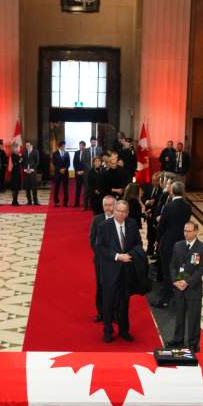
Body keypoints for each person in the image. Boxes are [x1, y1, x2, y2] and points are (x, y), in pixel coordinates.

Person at [96, 200, 141, 343]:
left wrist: (132, 255)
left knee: (124, 302)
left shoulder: (132, 224)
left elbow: (138, 244)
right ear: (114, 210)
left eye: (124, 212)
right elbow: (100, 248)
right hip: (110, 270)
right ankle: (107, 331)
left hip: (126, 271)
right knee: (108, 302)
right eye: (118, 211)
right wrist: (117, 256)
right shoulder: (104, 226)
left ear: (127, 213)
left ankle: (124, 331)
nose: (121, 214)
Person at [168, 221, 203, 349]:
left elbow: (201, 269)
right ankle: (178, 339)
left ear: (196, 232)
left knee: (194, 317)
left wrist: (187, 282)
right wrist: (175, 280)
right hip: (179, 287)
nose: (186, 233)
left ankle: (192, 343)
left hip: (193, 288)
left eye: (189, 231)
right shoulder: (177, 245)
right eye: (185, 231)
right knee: (179, 315)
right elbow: (172, 265)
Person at [152, 180, 190, 309]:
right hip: (183, 244)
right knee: (181, 272)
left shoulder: (169, 206)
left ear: (172, 191)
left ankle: (165, 299)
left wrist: (157, 240)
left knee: (168, 272)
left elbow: (162, 226)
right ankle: (180, 298)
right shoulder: (187, 206)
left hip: (168, 244)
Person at [89, 196, 115, 324]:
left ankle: (114, 312)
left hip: (117, 261)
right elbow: (92, 241)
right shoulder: (96, 220)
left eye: (111, 205)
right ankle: (101, 312)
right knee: (100, 286)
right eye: (106, 205)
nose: (108, 208)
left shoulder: (120, 219)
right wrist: (104, 255)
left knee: (116, 287)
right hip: (100, 261)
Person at [72, 140, 90, 207]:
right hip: (78, 173)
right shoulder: (76, 152)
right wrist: (77, 171)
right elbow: (74, 163)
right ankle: (76, 203)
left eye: (82, 145)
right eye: (80, 145)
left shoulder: (87, 152)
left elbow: (88, 163)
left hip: (85, 174)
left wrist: (83, 171)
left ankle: (86, 204)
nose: (80, 146)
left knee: (86, 189)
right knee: (78, 189)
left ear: (84, 146)